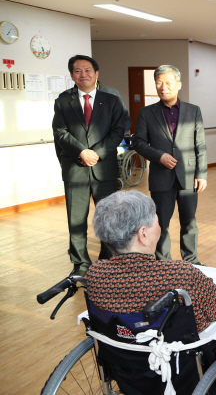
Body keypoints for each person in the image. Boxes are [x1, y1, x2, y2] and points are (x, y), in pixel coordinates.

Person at [86, 190, 216, 395]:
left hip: (127, 371)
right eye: (156, 221)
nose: (161, 227)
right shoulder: (179, 275)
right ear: (143, 235)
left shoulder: (95, 275)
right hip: (177, 371)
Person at [52, 54, 131, 277]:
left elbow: (119, 129)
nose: (83, 74)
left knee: (109, 218)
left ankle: (107, 261)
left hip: (103, 168)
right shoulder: (63, 101)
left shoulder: (112, 99)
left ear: (96, 74)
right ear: (71, 76)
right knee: (76, 220)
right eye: (78, 71)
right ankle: (80, 264)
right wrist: (81, 152)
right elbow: (59, 132)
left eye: (87, 70)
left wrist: (98, 152)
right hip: (75, 169)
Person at [134, 65, 208, 264]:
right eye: (159, 83)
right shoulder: (146, 113)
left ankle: (191, 260)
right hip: (161, 177)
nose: (163, 87)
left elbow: (200, 144)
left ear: (178, 85)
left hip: (189, 176)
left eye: (168, 83)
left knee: (189, 222)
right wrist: (159, 156)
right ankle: (163, 263)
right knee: (160, 224)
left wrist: (202, 173)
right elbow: (138, 142)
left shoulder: (193, 111)